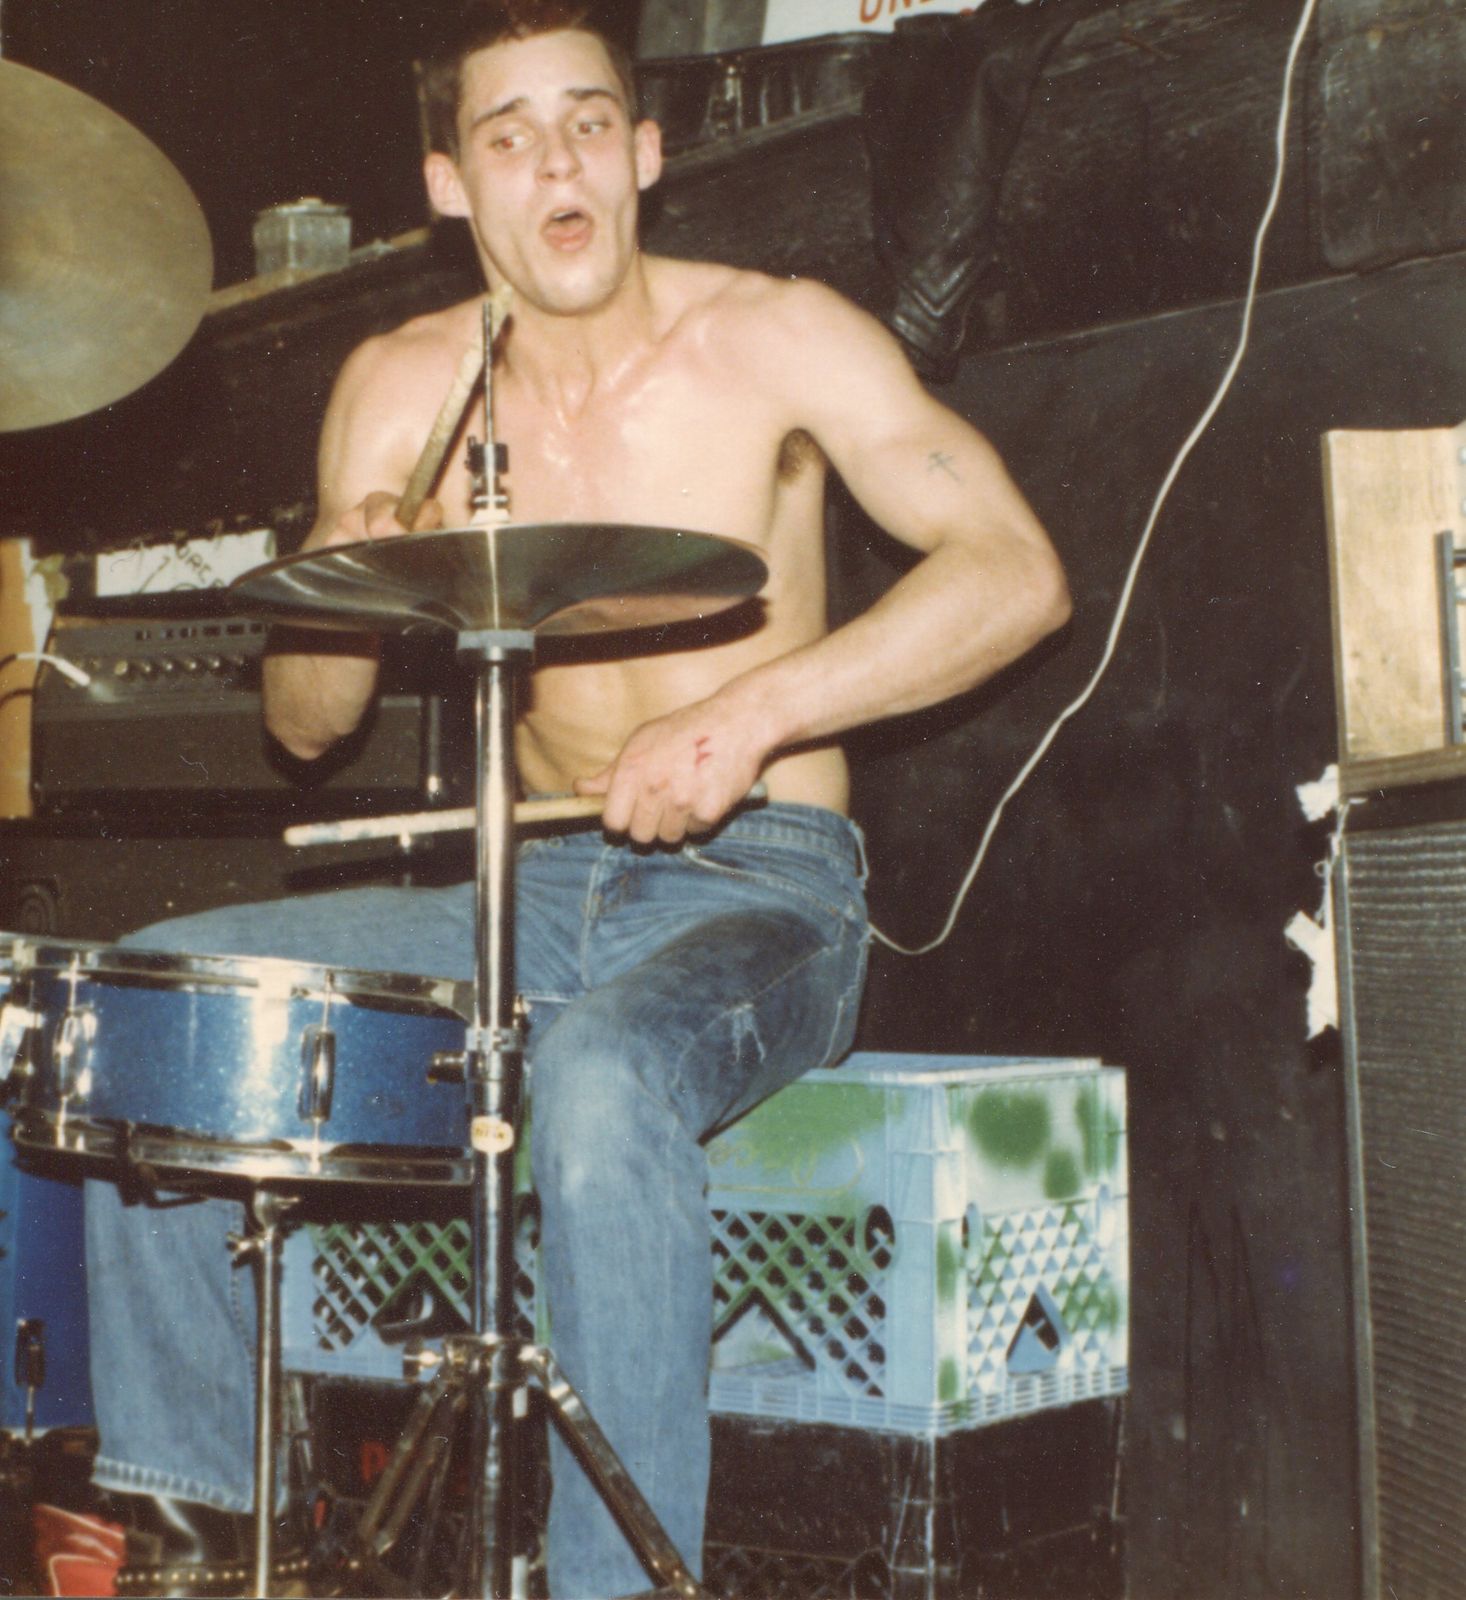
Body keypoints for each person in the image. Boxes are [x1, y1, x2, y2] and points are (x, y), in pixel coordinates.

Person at [83, 4, 1070, 1596]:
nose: (557, 162)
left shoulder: (777, 337)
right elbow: (306, 728)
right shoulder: (398, 383)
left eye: (589, 123)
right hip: (528, 886)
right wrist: (345, 551)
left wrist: (752, 714)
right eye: (509, 135)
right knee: (166, 998)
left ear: (645, 152)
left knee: (601, 1072)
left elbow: (1016, 573)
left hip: (763, 885)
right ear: (449, 186)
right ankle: (203, 1551)